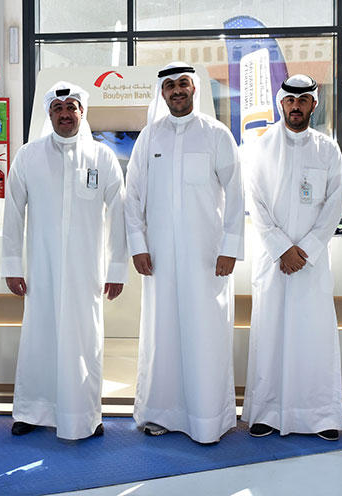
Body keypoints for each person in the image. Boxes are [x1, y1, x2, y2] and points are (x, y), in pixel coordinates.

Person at [125, 62, 244, 444]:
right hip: (159, 258)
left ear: (194, 89)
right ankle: (160, 413)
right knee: (162, 334)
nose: (176, 91)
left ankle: (208, 419)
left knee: (205, 334)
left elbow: (236, 194)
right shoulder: (150, 137)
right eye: (170, 86)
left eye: (183, 84)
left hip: (206, 259)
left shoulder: (216, 134)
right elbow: (133, 196)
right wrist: (138, 245)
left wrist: (230, 248)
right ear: (162, 92)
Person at [1, 81, 127, 440]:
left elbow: (119, 214)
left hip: (86, 272)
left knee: (84, 342)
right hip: (41, 270)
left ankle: (86, 413)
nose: (65, 114)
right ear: (49, 114)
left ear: (82, 112)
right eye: (58, 109)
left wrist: (117, 268)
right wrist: (12, 265)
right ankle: (31, 411)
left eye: (71, 107)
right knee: (39, 339)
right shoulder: (28, 157)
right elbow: (13, 214)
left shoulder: (102, 158)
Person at [242, 74, 342, 441]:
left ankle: (320, 415)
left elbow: (334, 205)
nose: (296, 107)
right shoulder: (261, 147)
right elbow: (255, 202)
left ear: (313, 104)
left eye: (303, 101)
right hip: (275, 262)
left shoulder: (327, 149)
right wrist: (281, 248)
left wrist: (307, 249)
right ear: (281, 103)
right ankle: (267, 413)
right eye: (290, 101)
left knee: (314, 337)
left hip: (311, 265)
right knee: (270, 335)